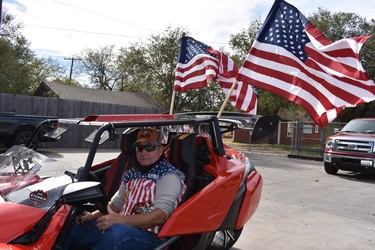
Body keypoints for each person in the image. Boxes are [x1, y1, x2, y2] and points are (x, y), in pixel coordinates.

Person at [64, 127, 186, 250]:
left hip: (153, 237)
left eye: (150, 147)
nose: (144, 152)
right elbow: (115, 205)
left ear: (161, 150)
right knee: (72, 227)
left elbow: (160, 216)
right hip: (122, 228)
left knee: (117, 233)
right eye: (140, 148)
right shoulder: (132, 174)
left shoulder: (168, 175)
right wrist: (92, 216)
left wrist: (121, 220)